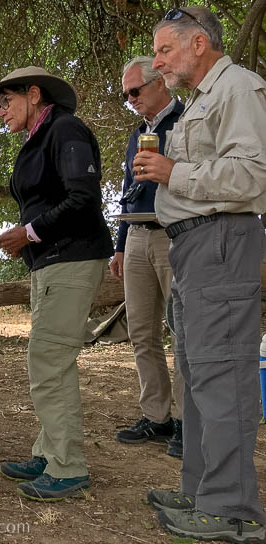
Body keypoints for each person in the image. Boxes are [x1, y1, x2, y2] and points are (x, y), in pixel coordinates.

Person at [133, 7, 266, 542]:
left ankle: (232, 512)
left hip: (222, 242)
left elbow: (254, 175)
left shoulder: (239, 89)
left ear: (198, 45)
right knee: (198, 370)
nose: (157, 61)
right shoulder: (200, 102)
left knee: (223, 373)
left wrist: (173, 171)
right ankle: (201, 491)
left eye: (165, 50)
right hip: (193, 247)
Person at [0, 67, 113, 501]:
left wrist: (28, 233)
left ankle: (68, 466)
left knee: (49, 361)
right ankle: (48, 450)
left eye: (5, 102)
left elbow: (83, 199)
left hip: (71, 258)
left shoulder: (65, 130)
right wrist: (26, 239)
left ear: (33, 94)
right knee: (46, 359)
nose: (0, 113)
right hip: (48, 263)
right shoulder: (36, 140)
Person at [111, 56, 185, 458]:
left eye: (135, 91)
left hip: (175, 236)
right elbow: (128, 189)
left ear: (161, 83)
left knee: (184, 334)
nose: (131, 100)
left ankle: (191, 423)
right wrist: (120, 245)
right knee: (142, 332)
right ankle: (157, 417)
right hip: (137, 234)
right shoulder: (138, 133)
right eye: (126, 95)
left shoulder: (187, 123)